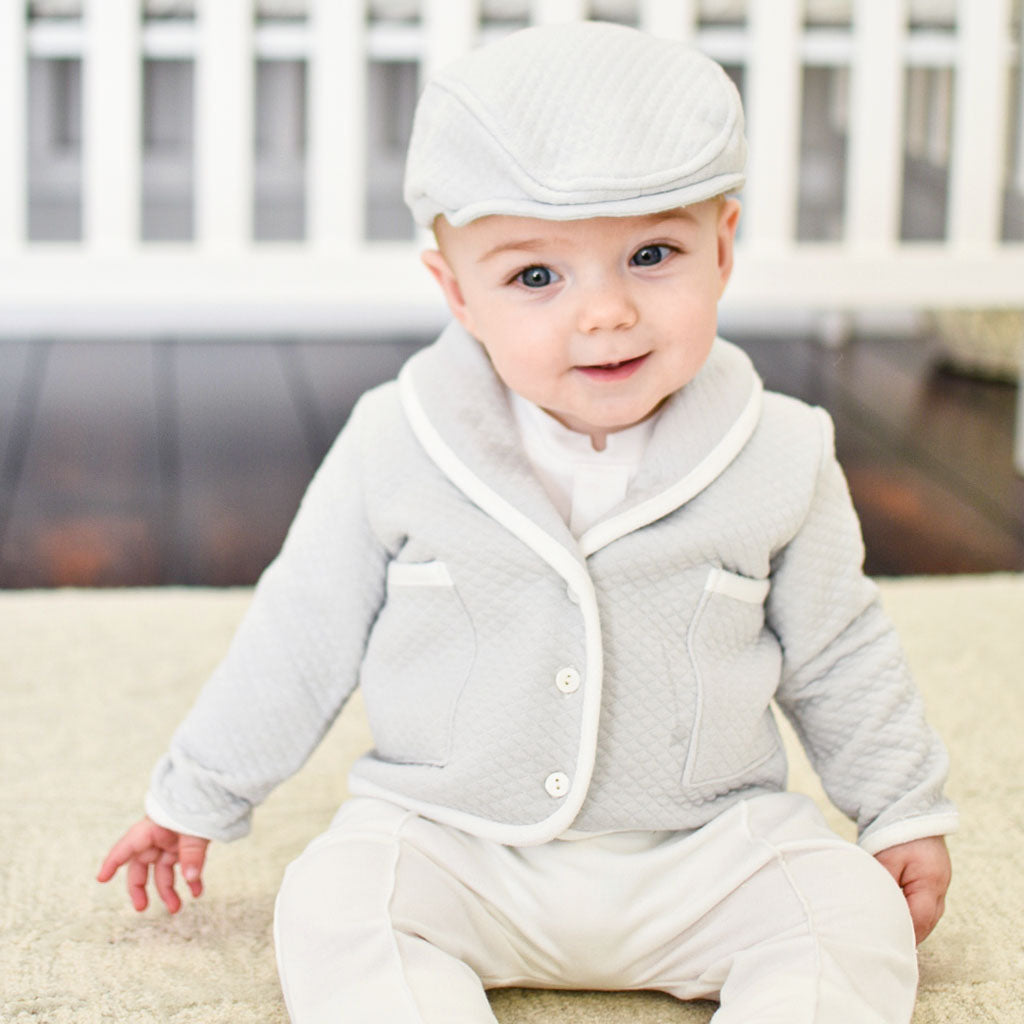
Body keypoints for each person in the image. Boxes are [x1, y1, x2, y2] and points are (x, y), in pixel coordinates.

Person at [98, 20, 957, 1023]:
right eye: (536, 277)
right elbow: (299, 633)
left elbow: (840, 651)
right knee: (333, 898)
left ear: (722, 251)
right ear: (455, 292)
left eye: (650, 254)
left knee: (847, 911)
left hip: (707, 848)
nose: (602, 314)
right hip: (454, 840)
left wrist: (900, 807)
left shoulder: (781, 449)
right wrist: (194, 795)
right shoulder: (395, 440)